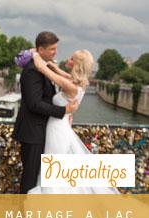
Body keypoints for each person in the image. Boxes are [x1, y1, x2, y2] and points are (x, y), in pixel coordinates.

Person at [28, 49, 119, 194]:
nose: (68, 59)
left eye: (72, 58)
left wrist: (35, 53)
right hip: (61, 126)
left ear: (76, 64)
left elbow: (41, 68)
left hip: (57, 128)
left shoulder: (69, 85)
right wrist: (53, 65)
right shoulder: (78, 82)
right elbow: (59, 72)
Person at [12, 31, 79, 194]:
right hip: (32, 132)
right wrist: (63, 110)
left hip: (38, 130)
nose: (55, 52)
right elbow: (35, 104)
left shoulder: (43, 67)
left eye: (56, 48)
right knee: (30, 176)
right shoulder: (32, 71)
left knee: (36, 176)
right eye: (52, 49)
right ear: (40, 50)